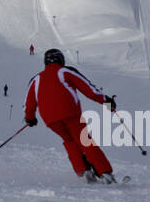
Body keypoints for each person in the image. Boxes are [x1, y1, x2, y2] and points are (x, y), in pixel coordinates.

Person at [24, 49, 117, 184]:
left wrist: (30, 118)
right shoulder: (65, 71)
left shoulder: (36, 79)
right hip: (70, 113)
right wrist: (106, 102)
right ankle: (105, 173)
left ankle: (84, 171)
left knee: (69, 140)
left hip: (51, 120)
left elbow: (29, 102)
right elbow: (88, 89)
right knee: (84, 140)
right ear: (61, 60)